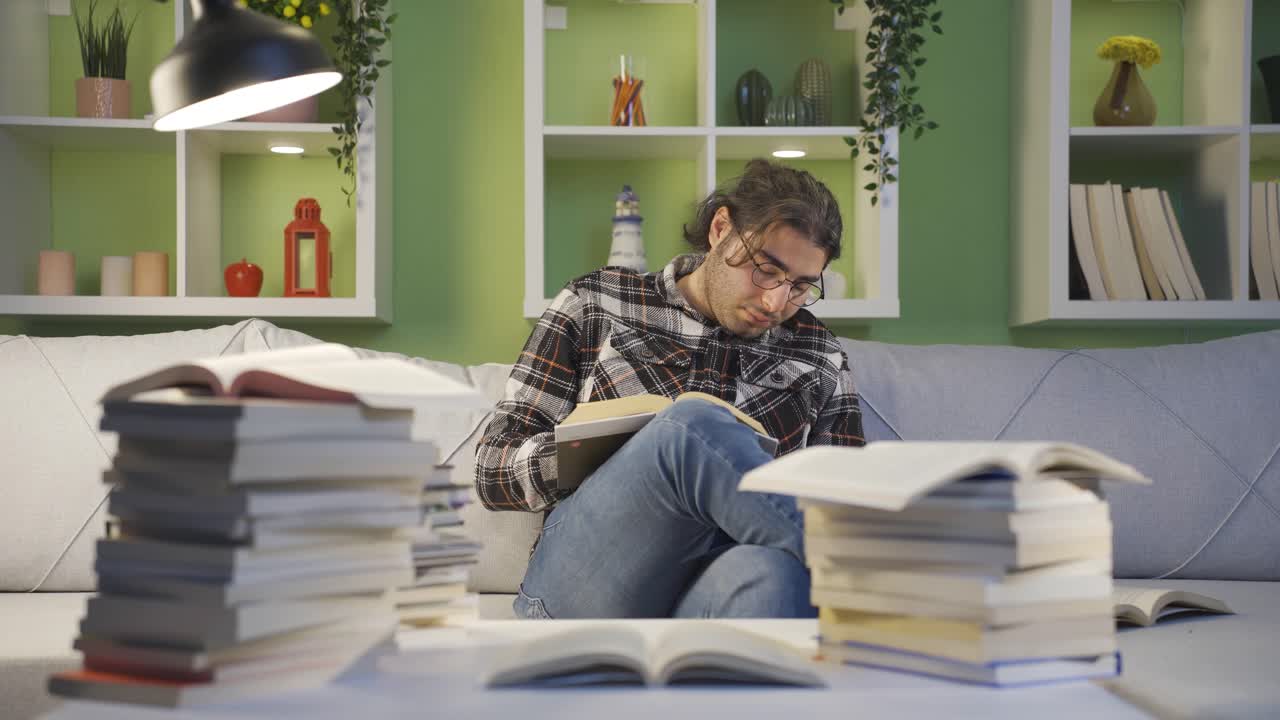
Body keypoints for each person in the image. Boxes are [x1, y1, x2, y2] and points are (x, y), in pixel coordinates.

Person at [474, 158, 865, 619]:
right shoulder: (598, 301)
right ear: (721, 228)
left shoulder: (819, 355)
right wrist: (613, 450)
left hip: (716, 589)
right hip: (585, 581)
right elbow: (491, 471)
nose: (776, 301)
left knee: (775, 576)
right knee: (692, 424)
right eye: (765, 269)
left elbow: (850, 502)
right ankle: (871, 586)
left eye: (800, 286)